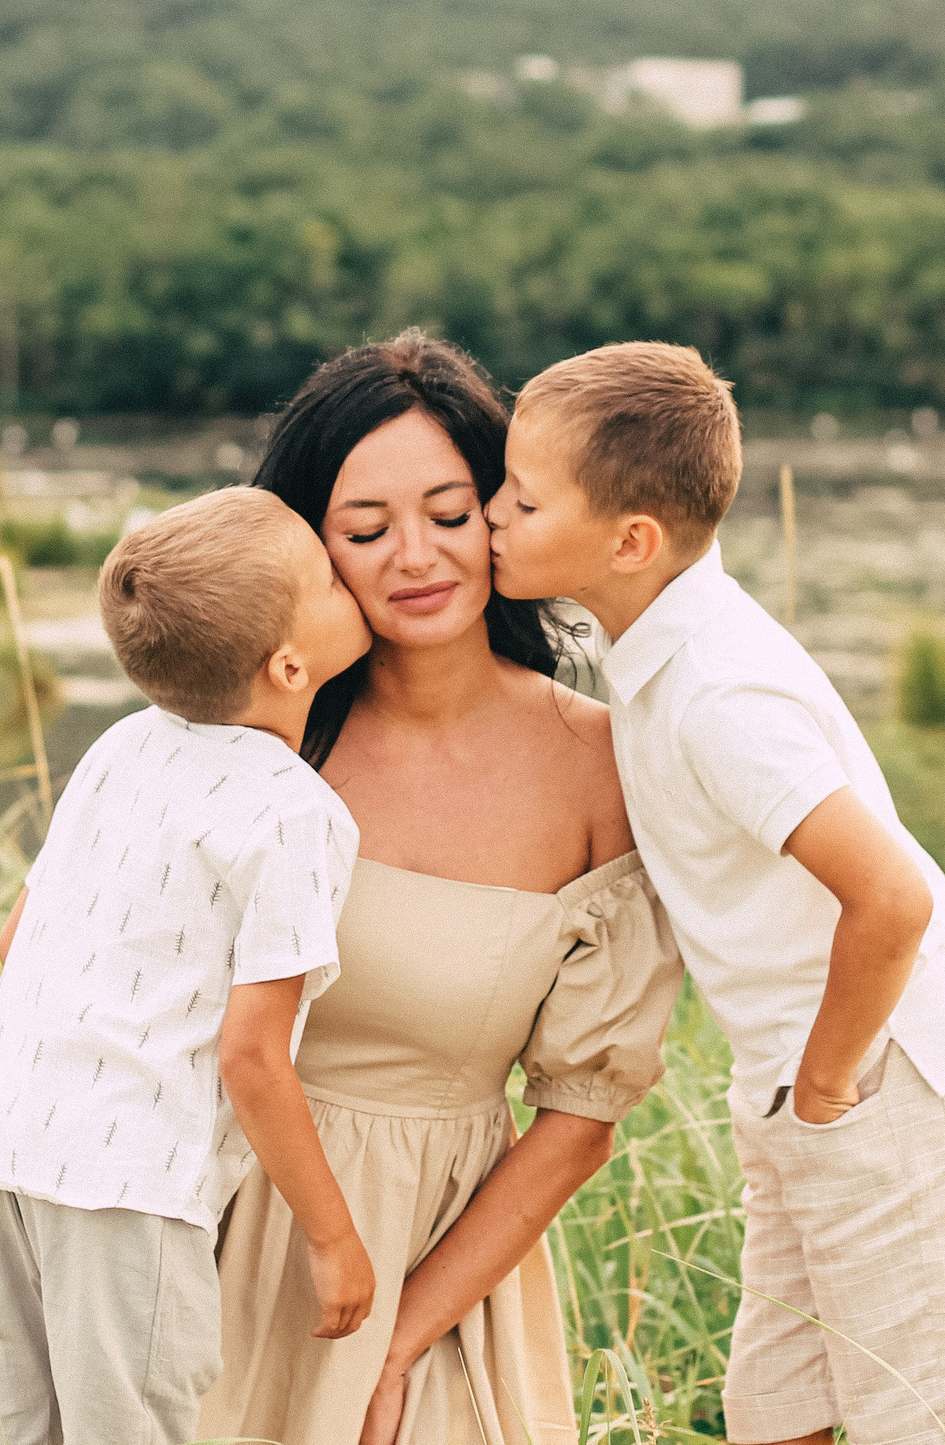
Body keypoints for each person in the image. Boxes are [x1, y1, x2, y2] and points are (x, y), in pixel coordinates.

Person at [489, 343, 945, 1445]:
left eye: (522, 497)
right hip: (798, 1084)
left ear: (629, 541)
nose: (490, 514)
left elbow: (890, 897)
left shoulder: (718, 694)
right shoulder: (657, 647)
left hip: (887, 1078)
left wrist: (827, 1088)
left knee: (927, 1422)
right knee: (778, 1414)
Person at [198, 332, 684, 1445]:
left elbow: (578, 1117)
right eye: (365, 530)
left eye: (450, 514)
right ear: (310, 547)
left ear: (506, 515)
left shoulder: (599, 765)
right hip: (206, 1241)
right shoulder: (256, 734)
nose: (413, 556)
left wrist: (400, 1337)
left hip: (433, 1274)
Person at [0, 486, 378, 1445]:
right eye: (332, 579)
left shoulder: (118, 746)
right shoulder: (294, 813)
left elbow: (18, 942)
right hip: (128, 1183)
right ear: (290, 663)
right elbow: (253, 1057)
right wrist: (334, 1236)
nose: (354, 583)